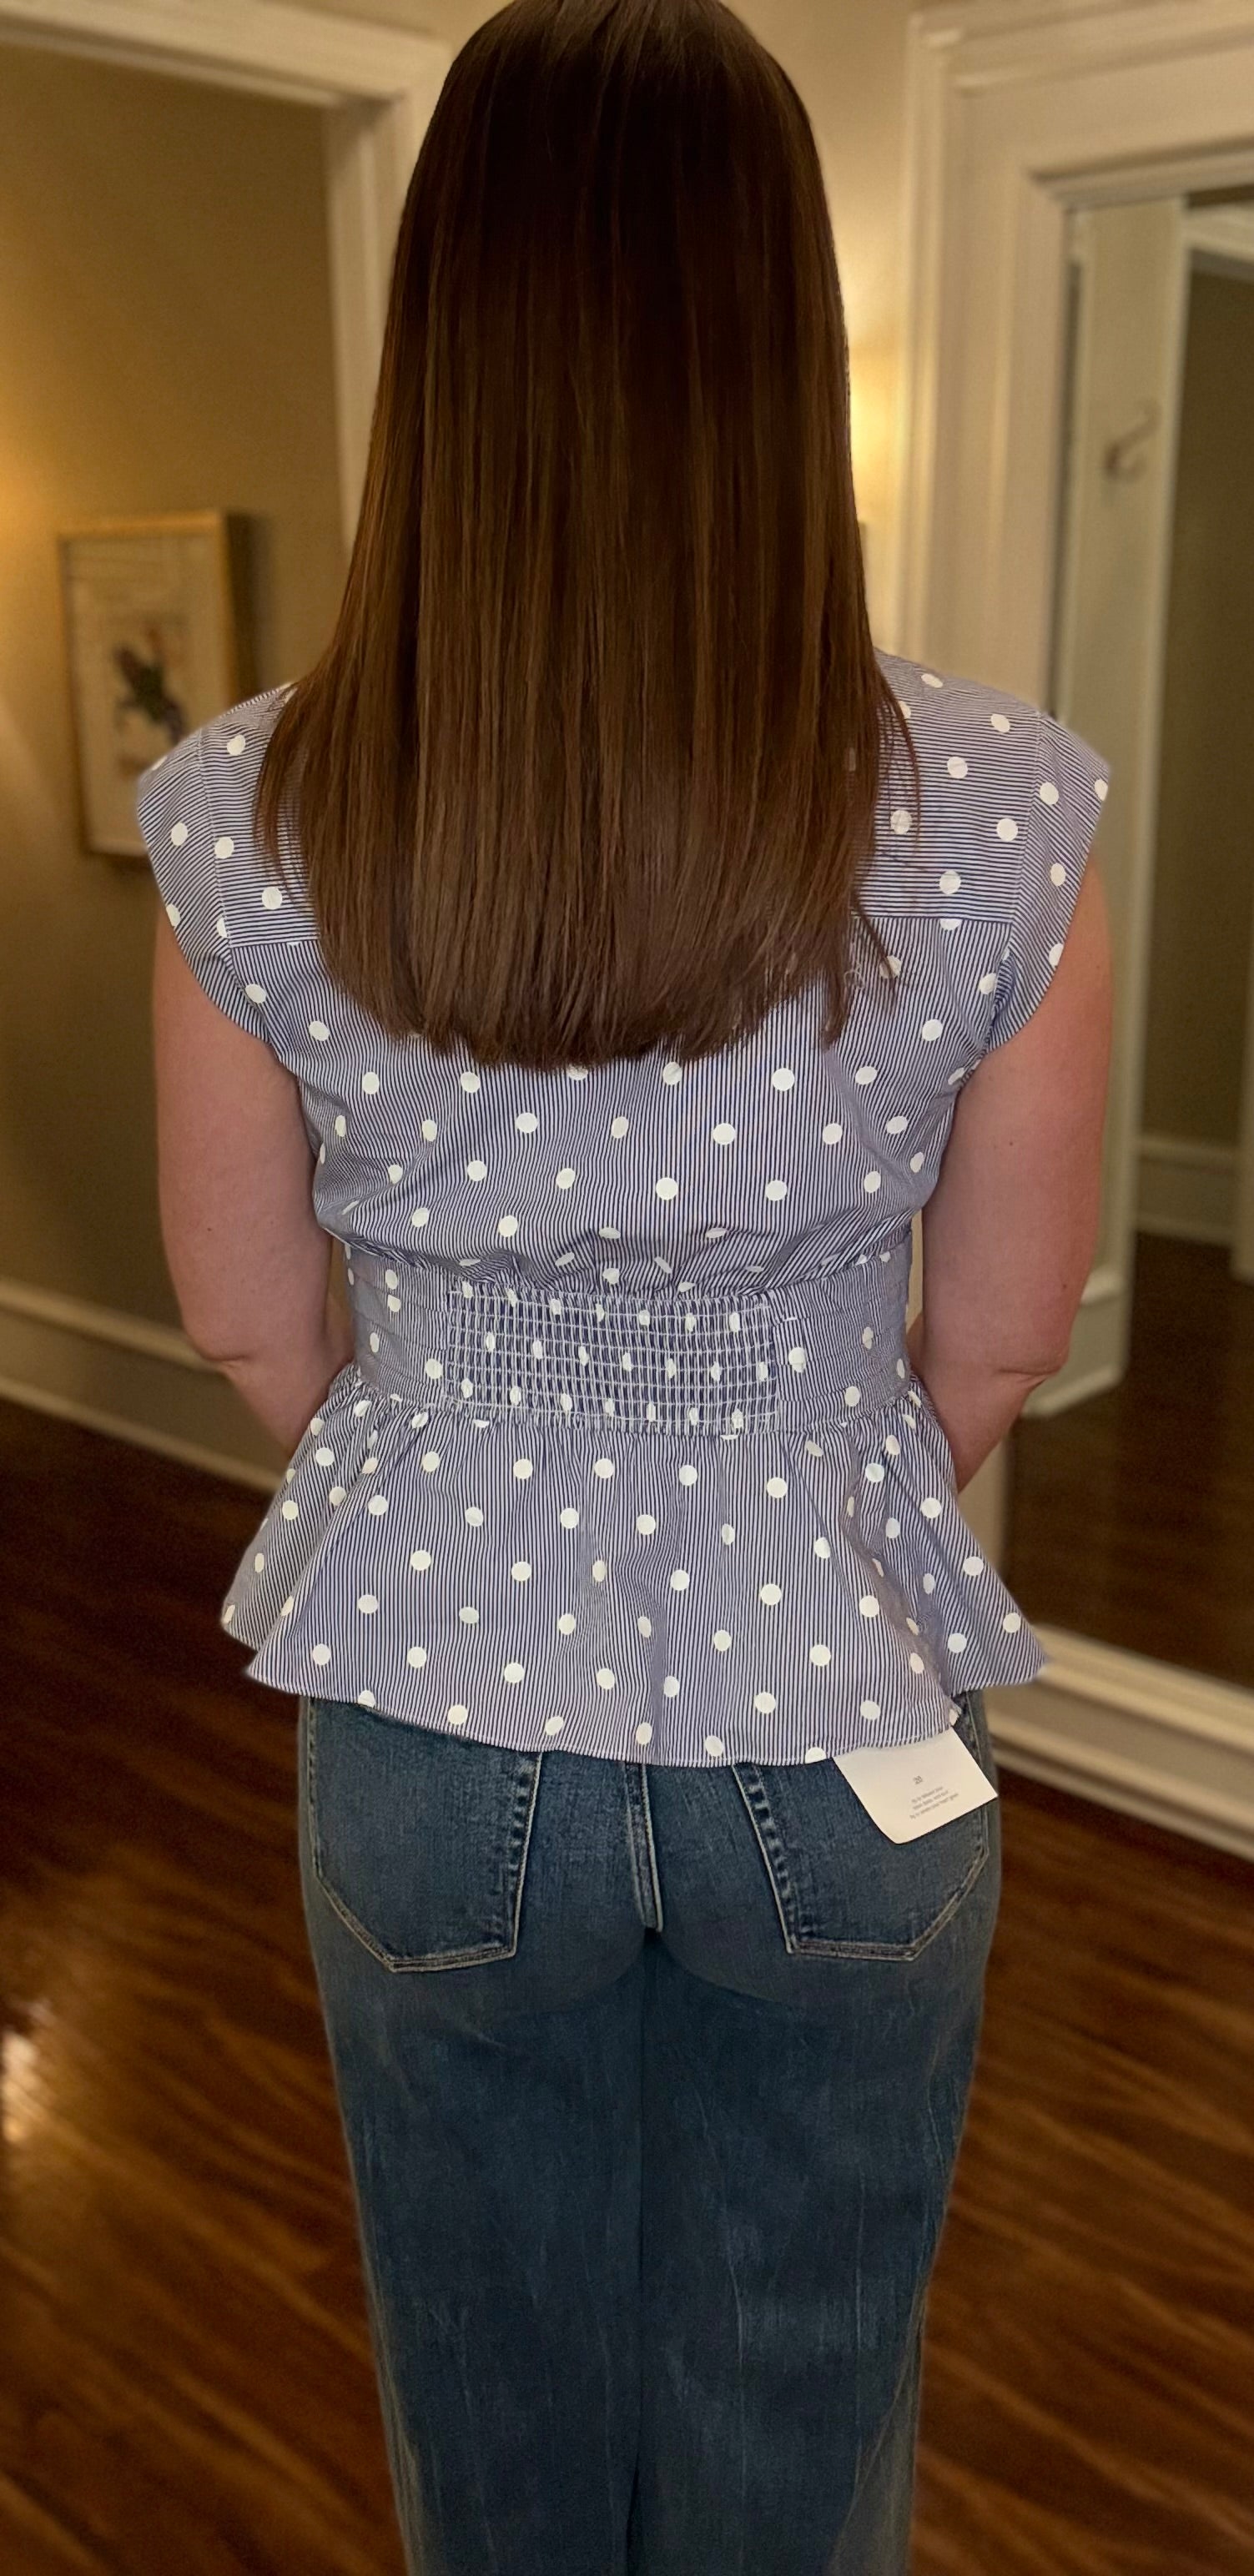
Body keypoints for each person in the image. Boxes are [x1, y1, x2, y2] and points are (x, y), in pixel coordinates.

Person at [140, 1, 1113, 2567]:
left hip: (432, 1704)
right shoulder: (1005, 800)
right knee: (807, 2402)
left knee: (491, 2404)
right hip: (842, 1705)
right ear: (781, 338)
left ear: (442, 342)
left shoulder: (249, 807)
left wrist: (465, 1472)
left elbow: (246, 1319)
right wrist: (801, 1489)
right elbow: (1006, 1334)